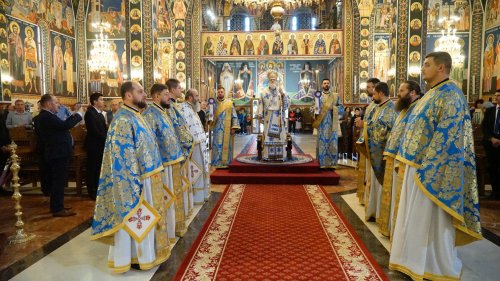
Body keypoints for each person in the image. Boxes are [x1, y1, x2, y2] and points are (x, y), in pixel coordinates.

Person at [390, 52, 482, 280]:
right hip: (415, 166)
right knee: (414, 218)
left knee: (428, 221)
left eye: (427, 64)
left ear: (442, 68)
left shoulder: (451, 94)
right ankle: (410, 260)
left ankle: (431, 264)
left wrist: (427, 168)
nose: (422, 68)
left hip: (432, 171)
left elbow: (449, 136)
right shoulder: (431, 94)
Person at [91, 81, 171, 273]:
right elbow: (122, 158)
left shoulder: (136, 115)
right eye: (140, 91)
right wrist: (134, 185)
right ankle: (133, 257)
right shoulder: (122, 120)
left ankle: (146, 255)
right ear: (128, 95)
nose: (145, 95)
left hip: (149, 177)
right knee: (137, 220)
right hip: (136, 182)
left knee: (149, 220)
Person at [142, 83, 186, 241]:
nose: (169, 97)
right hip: (163, 164)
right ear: (157, 96)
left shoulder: (164, 111)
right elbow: (150, 140)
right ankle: (165, 232)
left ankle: (173, 229)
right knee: (166, 200)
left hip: (173, 161)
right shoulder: (150, 113)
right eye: (166, 94)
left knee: (172, 199)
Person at [378, 81, 422, 238]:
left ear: (412, 92)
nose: (398, 93)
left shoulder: (418, 108)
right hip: (395, 156)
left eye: (402, 90)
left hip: (404, 159)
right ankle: (391, 229)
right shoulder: (406, 108)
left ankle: (399, 233)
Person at [36, 94, 83, 217]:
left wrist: (73, 116)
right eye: (56, 102)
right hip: (57, 153)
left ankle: (58, 205)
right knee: (58, 182)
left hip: (59, 152)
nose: (59, 105)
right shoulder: (46, 116)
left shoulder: (48, 116)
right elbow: (65, 126)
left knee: (59, 181)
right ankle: (57, 209)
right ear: (48, 104)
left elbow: (62, 125)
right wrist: (78, 115)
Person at [362, 82, 396, 221]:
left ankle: (379, 214)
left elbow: (382, 131)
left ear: (381, 93)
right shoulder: (379, 107)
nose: (373, 96)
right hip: (374, 151)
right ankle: (373, 211)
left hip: (382, 153)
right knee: (373, 183)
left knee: (380, 184)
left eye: (374, 93)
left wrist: (365, 127)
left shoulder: (390, 109)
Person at [166, 79, 195, 219]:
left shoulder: (176, 105)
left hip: (180, 148)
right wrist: (189, 141)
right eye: (179, 88)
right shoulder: (169, 107)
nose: (181, 91)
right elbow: (176, 128)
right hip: (177, 150)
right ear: (172, 90)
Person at [178, 89, 211, 204]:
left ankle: (201, 195)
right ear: (190, 98)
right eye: (197, 96)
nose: (199, 98)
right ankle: (196, 197)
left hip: (199, 146)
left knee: (199, 170)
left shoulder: (192, 109)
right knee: (195, 171)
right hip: (193, 147)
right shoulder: (183, 109)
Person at [354, 78, 380, 204]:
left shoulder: (380, 105)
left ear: (376, 87)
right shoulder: (372, 103)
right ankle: (365, 198)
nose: (367, 89)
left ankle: (370, 200)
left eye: (369, 87)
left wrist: (362, 124)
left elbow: (377, 125)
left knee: (371, 175)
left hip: (373, 145)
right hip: (365, 140)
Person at [258, 71, 289, 161]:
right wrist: (260, 114)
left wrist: (283, 95)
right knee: (268, 136)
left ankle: (280, 155)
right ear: (268, 80)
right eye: (271, 79)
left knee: (279, 136)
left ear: (276, 80)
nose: (272, 80)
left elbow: (286, 104)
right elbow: (260, 103)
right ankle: (267, 155)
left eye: (274, 79)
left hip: (278, 116)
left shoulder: (280, 91)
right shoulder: (264, 92)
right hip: (268, 116)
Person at [313, 79, 344, 168]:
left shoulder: (335, 96)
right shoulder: (318, 96)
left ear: (330, 85)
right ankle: (321, 163)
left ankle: (332, 164)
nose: (326, 85)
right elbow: (314, 108)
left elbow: (341, 108)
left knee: (332, 143)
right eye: (324, 83)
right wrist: (315, 111)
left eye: (328, 83)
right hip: (322, 123)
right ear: (322, 85)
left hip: (332, 123)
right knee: (321, 143)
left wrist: (333, 108)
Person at [84, 93, 107, 200]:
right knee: (92, 168)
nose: (103, 101)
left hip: (100, 145)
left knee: (98, 168)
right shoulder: (90, 113)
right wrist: (106, 139)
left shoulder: (100, 114)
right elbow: (94, 131)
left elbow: (104, 129)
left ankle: (98, 188)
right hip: (93, 146)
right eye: (101, 99)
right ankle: (91, 191)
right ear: (95, 102)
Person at [211, 85, 239, 167]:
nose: (220, 93)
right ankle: (216, 162)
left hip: (227, 129)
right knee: (217, 145)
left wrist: (234, 127)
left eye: (221, 92)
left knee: (226, 145)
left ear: (224, 93)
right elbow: (209, 115)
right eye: (219, 92)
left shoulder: (229, 103)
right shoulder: (213, 103)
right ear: (217, 93)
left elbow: (234, 115)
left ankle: (226, 162)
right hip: (217, 128)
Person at [482, 90, 500, 200]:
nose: (496, 97)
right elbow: (485, 126)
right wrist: (491, 138)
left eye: (499, 95)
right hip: (491, 144)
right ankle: (495, 192)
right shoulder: (490, 111)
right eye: (496, 95)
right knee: (492, 168)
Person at [0, 117, 11, 196]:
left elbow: (4, 128)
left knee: (3, 168)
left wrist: (8, 142)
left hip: (5, 146)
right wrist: (0, 146)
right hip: (1, 147)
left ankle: (0, 186)